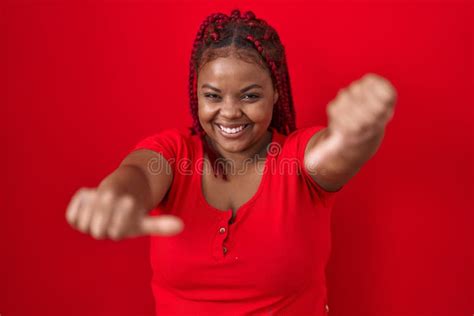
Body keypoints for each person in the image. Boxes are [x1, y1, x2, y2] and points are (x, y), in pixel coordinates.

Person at [65, 9, 397, 315]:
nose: (229, 111)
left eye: (250, 95)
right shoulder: (173, 153)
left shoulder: (297, 159)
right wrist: (116, 197)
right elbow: (137, 174)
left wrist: (355, 134)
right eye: (212, 95)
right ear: (196, 93)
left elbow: (334, 153)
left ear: (276, 93)